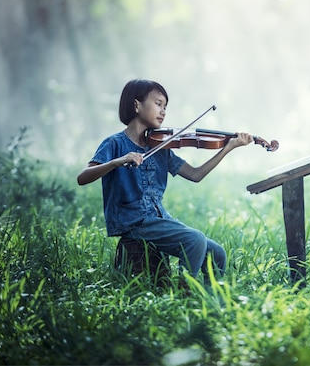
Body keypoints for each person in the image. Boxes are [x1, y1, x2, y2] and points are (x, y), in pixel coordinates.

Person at [77, 79, 253, 282]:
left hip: (159, 219)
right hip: (134, 222)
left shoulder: (161, 147)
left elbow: (196, 175)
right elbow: (83, 177)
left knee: (218, 254)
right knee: (194, 239)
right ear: (137, 105)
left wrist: (228, 147)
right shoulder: (114, 144)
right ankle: (184, 293)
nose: (163, 111)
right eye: (158, 104)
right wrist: (117, 161)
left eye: (165, 107)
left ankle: (208, 300)